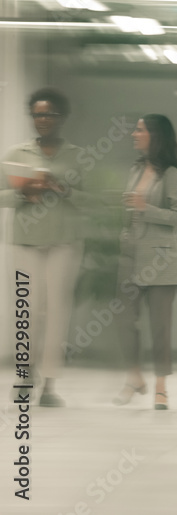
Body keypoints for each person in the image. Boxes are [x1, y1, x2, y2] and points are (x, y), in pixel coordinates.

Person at [1, 88, 86, 407]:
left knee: (55, 312)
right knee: (26, 309)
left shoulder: (77, 155)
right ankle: (24, 375)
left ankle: (49, 384)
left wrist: (62, 189)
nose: (42, 120)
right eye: (37, 114)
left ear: (61, 117)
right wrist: (23, 194)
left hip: (64, 242)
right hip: (25, 241)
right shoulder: (15, 154)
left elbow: (92, 200)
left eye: (49, 114)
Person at [114, 115, 177, 411]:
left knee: (160, 327)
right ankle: (134, 376)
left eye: (140, 130)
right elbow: (130, 209)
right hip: (129, 257)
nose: (134, 133)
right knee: (122, 319)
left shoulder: (173, 173)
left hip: (160, 261)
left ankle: (161, 387)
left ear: (156, 136)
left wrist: (146, 208)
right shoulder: (135, 169)